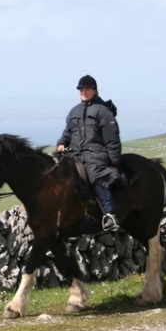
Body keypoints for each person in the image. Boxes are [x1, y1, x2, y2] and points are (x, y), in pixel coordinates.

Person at [56, 75, 122, 231]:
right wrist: (62, 143)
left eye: (86, 89)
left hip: (96, 155)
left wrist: (114, 163)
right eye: (81, 89)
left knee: (94, 173)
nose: (83, 92)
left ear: (95, 90)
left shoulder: (103, 112)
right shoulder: (74, 111)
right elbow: (67, 132)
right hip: (75, 154)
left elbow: (112, 140)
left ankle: (110, 214)